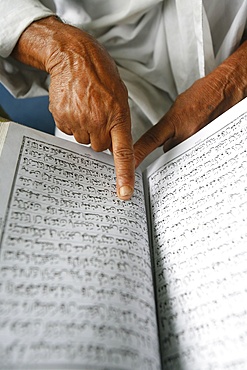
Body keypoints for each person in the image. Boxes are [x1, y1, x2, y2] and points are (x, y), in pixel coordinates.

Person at [0, 1, 246, 200]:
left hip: (236, 49)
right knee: (91, 186)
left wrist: (233, 78)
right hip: (109, 66)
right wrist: (61, 49)